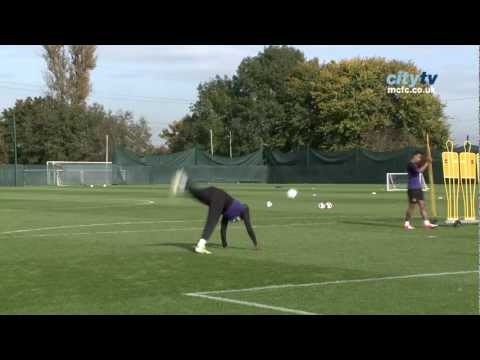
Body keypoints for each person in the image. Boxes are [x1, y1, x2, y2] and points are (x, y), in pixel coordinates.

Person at [170, 169, 258, 254]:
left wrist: (224, 244)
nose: (236, 220)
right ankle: (200, 246)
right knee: (212, 222)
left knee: (197, 193)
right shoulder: (244, 209)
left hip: (213, 191)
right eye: (238, 219)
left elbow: (223, 228)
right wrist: (255, 244)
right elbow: (249, 228)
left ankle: (185, 181)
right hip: (220, 198)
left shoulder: (228, 213)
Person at [404, 151, 438, 230]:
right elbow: (419, 171)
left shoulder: (416, 164)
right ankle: (406, 223)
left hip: (418, 188)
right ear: (414, 156)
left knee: (422, 206)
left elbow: (421, 165)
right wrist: (427, 163)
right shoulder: (410, 164)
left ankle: (427, 223)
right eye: (418, 157)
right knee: (412, 207)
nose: (419, 159)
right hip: (412, 188)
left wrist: (428, 160)